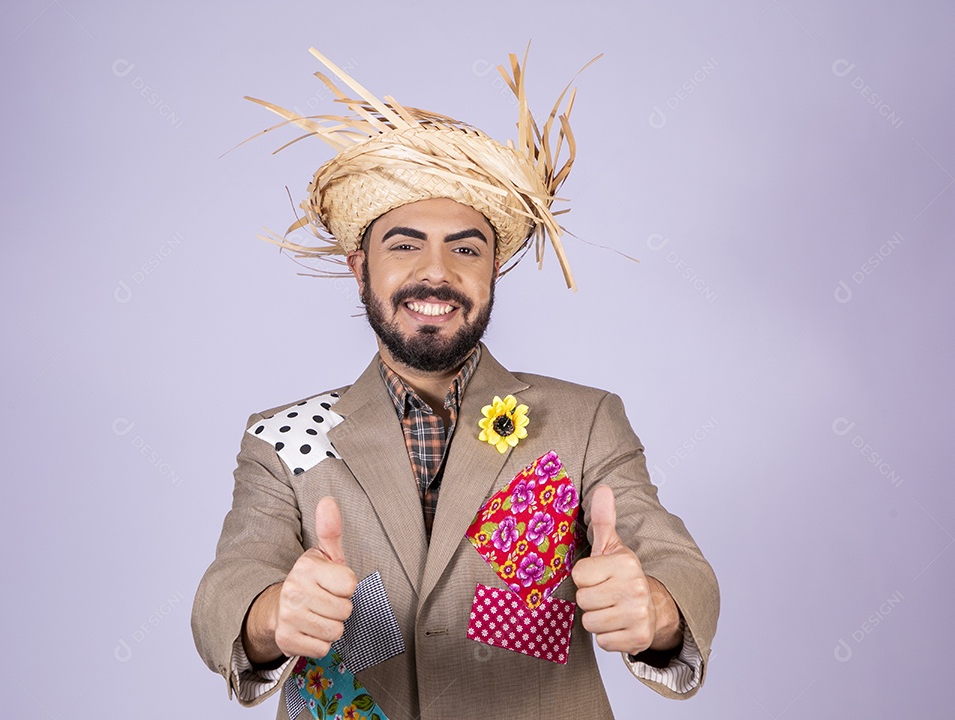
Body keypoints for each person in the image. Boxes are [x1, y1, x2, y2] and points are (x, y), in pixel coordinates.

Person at [192, 47, 719, 719]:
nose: (435, 273)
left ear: (493, 268)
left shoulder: (586, 422)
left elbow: (680, 567)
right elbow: (226, 590)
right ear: (361, 268)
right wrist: (271, 616)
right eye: (405, 244)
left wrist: (659, 610)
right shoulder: (284, 437)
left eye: (465, 248)